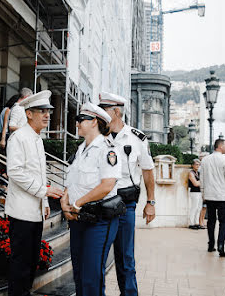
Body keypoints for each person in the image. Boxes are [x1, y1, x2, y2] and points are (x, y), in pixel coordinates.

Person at [5, 90, 64, 296]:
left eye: (48, 111)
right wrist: (44, 191)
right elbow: (14, 172)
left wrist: (45, 203)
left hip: (35, 211)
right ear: (29, 114)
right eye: (42, 111)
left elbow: (39, 174)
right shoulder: (19, 137)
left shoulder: (37, 139)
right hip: (21, 211)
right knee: (21, 262)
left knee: (31, 261)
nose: (47, 115)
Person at [61, 102, 121, 296]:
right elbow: (73, 181)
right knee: (79, 272)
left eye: (80, 120)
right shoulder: (81, 149)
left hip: (99, 220)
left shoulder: (107, 149)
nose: (76, 124)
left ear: (94, 122)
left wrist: (78, 203)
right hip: (78, 218)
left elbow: (107, 185)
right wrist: (65, 201)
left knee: (92, 275)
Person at [98, 92, 155, 296]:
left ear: (117, 112)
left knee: (125, 257)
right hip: (101, 202)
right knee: (99, 257)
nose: (100, 113)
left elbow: (148, 172)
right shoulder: (97, 136)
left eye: (104, 109)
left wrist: (151, 202)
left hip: (125, 204)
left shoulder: (136, 137)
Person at [200, 139, 225, 257]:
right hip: (222, 197)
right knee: (224, 221)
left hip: (209, 196)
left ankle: (211, 245)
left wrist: (203, 194)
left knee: (211, 221)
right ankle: (221, 245)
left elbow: (202, 179)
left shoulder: (205, 160)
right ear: (220, 146)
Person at [188, 159, 204, 229]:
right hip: (194, 192)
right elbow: (195, 184)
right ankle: (191, 223)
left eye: (199, 164)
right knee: (194, 207)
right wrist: (202, 181)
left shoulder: (199, 173)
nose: (198, 166)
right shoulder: (191, 173)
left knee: (199, 208)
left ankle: (196, 222)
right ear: (193, 165)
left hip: (200, 192)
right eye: (196, 164)